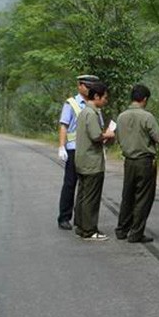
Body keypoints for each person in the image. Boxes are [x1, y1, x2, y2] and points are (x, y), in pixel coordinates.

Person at [115, 84, 159, 243]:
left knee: (127, 195)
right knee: (143, 197)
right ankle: (136, 233)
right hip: (145, 161)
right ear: (145, 99)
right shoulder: (147, 117)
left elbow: (118, 137)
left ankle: (121, 229)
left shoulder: (121, 116)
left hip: (128, 161)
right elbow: (158, 137)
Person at [57, 74, 100, 230]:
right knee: (70, 183)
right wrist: (62, 146)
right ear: (80, 86)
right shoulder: (71, 104)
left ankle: (81, 217)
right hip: (74, 149)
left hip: (89, 150)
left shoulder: (94, 105)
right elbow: (64, 125)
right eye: (87, 86)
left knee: (85, 185)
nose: (89, 90)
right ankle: (64, 217)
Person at [74, 81, 115, 241]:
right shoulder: (91, 114)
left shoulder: (84, 112)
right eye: (104, 97)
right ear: (96, 96)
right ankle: (90, 230)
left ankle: (80, 225)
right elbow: (96, 136)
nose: (105, 100)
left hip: (83, 160)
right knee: (91, 197)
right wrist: (109, 134)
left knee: (83, 195)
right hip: (92, 162)